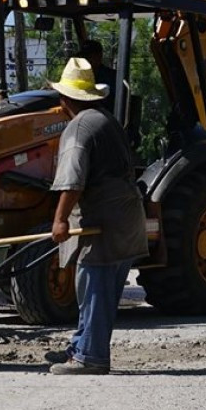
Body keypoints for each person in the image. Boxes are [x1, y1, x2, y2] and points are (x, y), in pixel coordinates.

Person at [45, 57, 147, 375]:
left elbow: (72, 179)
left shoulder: (78, 128)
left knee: (93, 286)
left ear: (63, 100)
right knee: (98, 289)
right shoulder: (104, 119)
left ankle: (90, 356)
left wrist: (60, 219)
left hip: (105, 222)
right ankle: (83, 344)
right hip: (126, 218)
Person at [76, 39, 117, 111]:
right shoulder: (80, 75)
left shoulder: (112, 77)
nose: (84, 60)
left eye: (88, 56)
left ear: (99, 57)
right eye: (83, 57)